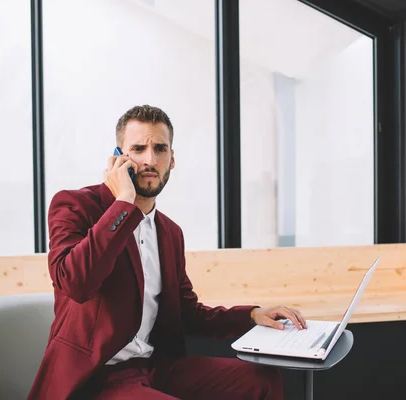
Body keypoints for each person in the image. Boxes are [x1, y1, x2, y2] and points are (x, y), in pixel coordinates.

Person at [27, 105, 308, 400]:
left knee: (260, 379)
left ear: (172, 160)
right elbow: (76, 283)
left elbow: (188, 314)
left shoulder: (170, 233)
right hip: (95, 378)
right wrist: (123, 203)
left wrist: (252, 314)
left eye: (160, 148)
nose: (150, 159)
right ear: (119, 158)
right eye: (138, 148)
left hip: (154, 368)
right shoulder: (75, 205)